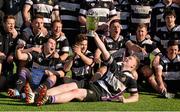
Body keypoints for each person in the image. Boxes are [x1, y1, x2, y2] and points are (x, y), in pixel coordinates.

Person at [35, 31, 140, 106]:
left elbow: (135, 96)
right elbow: (104, 50)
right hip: (92, 83)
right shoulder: (115, 67)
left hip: (99, 93)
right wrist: (95, 36)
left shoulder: (131, 79)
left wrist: (126, 100)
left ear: (133, 66)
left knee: (75, 92)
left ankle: (48, 99)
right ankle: (38, 95)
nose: (126, 58)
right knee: (68, 86)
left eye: (130, 58)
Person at [8, 37, 65, 104]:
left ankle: (34, 94)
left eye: (54, 44)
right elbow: (20, 56)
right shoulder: (37, 54)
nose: (53, 45)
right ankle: (17, 91)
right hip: (31, 81)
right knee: (24, 70)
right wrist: (23, 48)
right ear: (45, 44)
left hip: (43, 86)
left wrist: (52, 72)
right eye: (51, 43)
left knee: (54, 77)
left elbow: (62, 73)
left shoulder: (56, 58)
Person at [127, 24, 161, 92]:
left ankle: (160, 90)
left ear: (146, 32)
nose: (140, 33)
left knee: (149, 73)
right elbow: (128, 45)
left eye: (142, 31)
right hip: (132, 66)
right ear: (136, 31)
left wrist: (157, 58)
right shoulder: (130, 39)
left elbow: (159, 53)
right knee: (133, 75)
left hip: (144, 66)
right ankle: (133, 87)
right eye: (139, 31)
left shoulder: (150, 43)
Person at [0, 15, 19, 90]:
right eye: (9, 23)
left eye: (13, 24)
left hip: (7, 67)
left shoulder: (15, 35)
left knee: (3, 86)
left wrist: (12, 54)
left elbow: (19, 47)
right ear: (4, 23)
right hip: (1, 62)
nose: (11, 26)